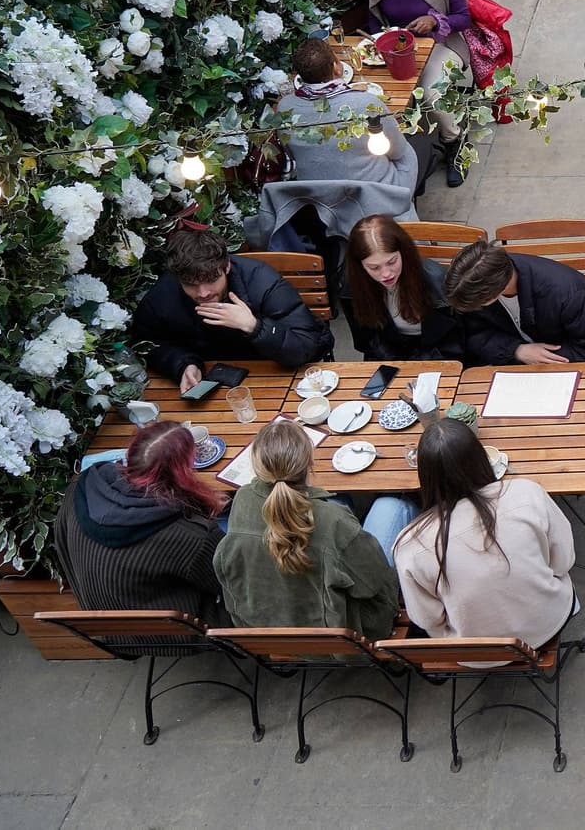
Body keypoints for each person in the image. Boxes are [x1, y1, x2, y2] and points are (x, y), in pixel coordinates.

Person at [392, 419, 577, 648]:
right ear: (481, 458)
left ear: (425, 475)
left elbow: (427, 619)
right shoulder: (526, 492)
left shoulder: (409, 546)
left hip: (477, 652)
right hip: (550, 621)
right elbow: (564, 561)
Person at [212, 419, 399, 639]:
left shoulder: (243, 498)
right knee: (394, 505)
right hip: (342, 637)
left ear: (257, 468)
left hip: (269, 632)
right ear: (310, 461)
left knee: (343, 509)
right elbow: (373, 583)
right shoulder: (334, 521)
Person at [54, 421, 230, 626]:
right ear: (184, 473)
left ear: (131, 455)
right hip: (170, 630)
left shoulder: (79, 488)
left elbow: (62, 546)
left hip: (101, 621)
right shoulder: (191, 537)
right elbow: (229, 582)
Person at [132, 229, 334, 394]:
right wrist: (183, 364)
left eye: (211, 281)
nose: (203, 293)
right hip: (214, 380)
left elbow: (305, 346)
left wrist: (254, 326)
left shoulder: (262, 281)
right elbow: (147, 343)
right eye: (191, 285)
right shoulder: (163, 295)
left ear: (227, 266)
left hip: (273, 372)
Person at [361, 0, 470, 187]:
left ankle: (455, 140)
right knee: (373, 96)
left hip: (440, 44)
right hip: (396, 48)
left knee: (432, 94)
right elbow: (374, 19)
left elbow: (464, 17)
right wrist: (379, 38)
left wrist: (434, 20)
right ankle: (397, 153)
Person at [445, 240, 585, 375]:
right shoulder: (477, 289)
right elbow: (472, 335)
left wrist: (541, 359)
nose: (475, 308)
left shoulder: (567, 294)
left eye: (479, 305)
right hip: (519, 359)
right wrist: (516, 350)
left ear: (496, 291)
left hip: (583, 359)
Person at [278, 37, 420, 194]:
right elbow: (397, 150)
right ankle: (405, 206)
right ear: (336, 68)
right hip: (372, 193)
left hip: (321, 196)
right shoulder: (366, 103)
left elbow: (291, 153)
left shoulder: (284, 108)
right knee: (413, 149)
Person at [343, 214, 464, 361]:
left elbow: (458, 336)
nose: (386, 274)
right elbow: (366, 340)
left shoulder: (437, 280)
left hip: (438, 354)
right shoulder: (351, 287)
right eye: (374, 267)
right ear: (360, 266)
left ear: (403, 253)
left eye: (392, 262)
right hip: (388, 354)